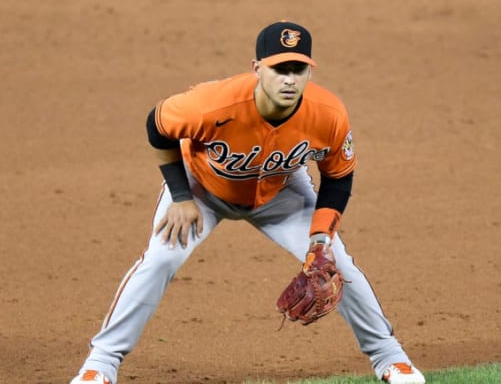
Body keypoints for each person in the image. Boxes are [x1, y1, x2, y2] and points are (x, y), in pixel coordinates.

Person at [70, 21, 425, 384]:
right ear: (257, 69)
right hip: (202, 190)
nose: (289, 79)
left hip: (282, 193)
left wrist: (320, 240)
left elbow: (338, 177)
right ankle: (101, 364)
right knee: (161, 259)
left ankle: (391, 359)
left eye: (298, 70)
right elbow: (156, 126)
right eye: (279, 69)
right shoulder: (212, 104)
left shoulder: (328, 114)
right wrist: (180, 196)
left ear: (309, 71)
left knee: (337, 265)